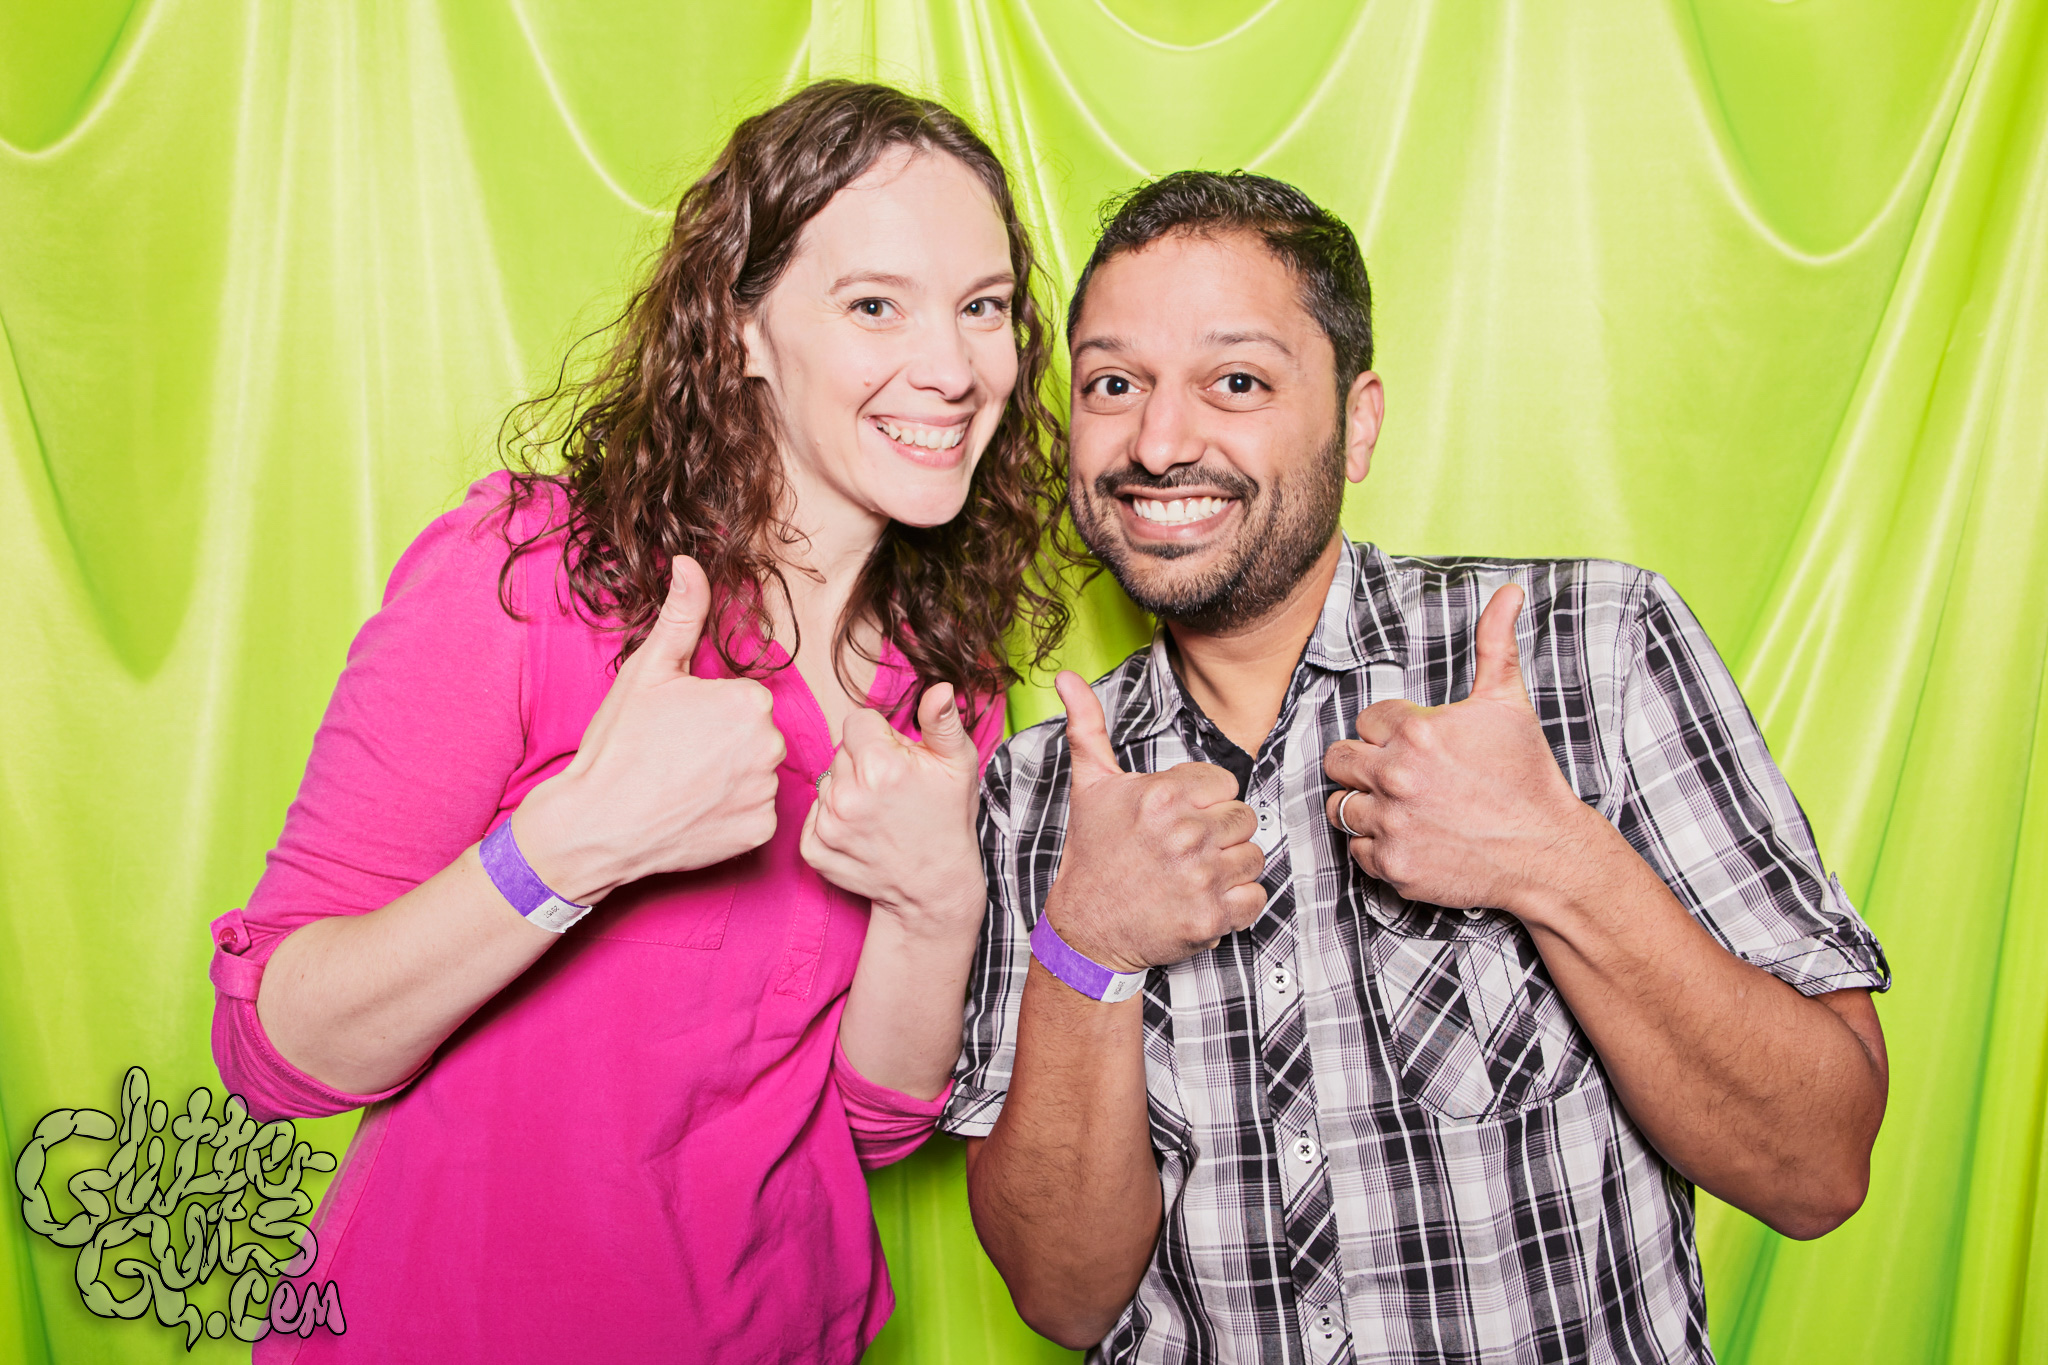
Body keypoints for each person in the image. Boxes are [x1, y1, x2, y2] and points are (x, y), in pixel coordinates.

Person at [945, 171, 1892, 1364]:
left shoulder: (1589, 647)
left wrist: (1549, 860)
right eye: (1112, 385)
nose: (1159, 443)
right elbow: (1061, 1299)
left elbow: (1817, 1168)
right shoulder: (1039, 788)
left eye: (1235, 382)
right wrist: (1086, 943)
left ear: (1357, 422)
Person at [206, 81, 1068, 1363]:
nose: (950, 370)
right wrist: (574, 846)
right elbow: (275, 1051)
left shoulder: (947, 692)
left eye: (982, 307)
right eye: (873, 305)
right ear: (742, 329)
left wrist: (937, 905)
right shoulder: (532, 576)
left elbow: (865, 1129)